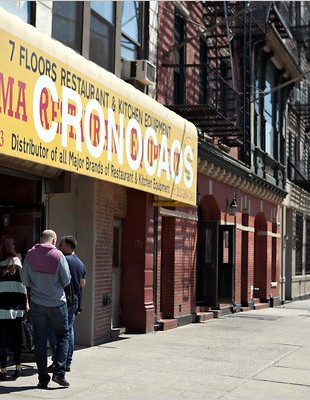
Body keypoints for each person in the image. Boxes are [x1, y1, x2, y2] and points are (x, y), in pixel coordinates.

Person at [22, 229, 71, 389]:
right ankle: (59, 373)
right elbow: (66, 280)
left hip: (37, 304)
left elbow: (25, 281)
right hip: (57, 303)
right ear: (54, 240)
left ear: (41, 239)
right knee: (63, 335)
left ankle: (43, 378)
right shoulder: (58, 256)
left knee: (40, 342)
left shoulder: (30, 255)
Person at [48, 235, 86, 373]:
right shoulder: (80, 263)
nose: (59, 246)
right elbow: (82, 285)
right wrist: (80, 306)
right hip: (74, 302)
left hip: (62, 301)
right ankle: (67, 361)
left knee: (54, 331)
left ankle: (58, 361)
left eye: (61, 245)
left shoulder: (63, 260)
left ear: (68, 247)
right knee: (69, 331)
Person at [0, 235, 28, 381]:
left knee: (2, 341)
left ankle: (2, 370)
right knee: (17, 339)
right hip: (16, 306)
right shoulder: (16, 263)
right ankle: (18, 368)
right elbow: (23, 286)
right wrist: (26, 304)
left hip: (1, 307)